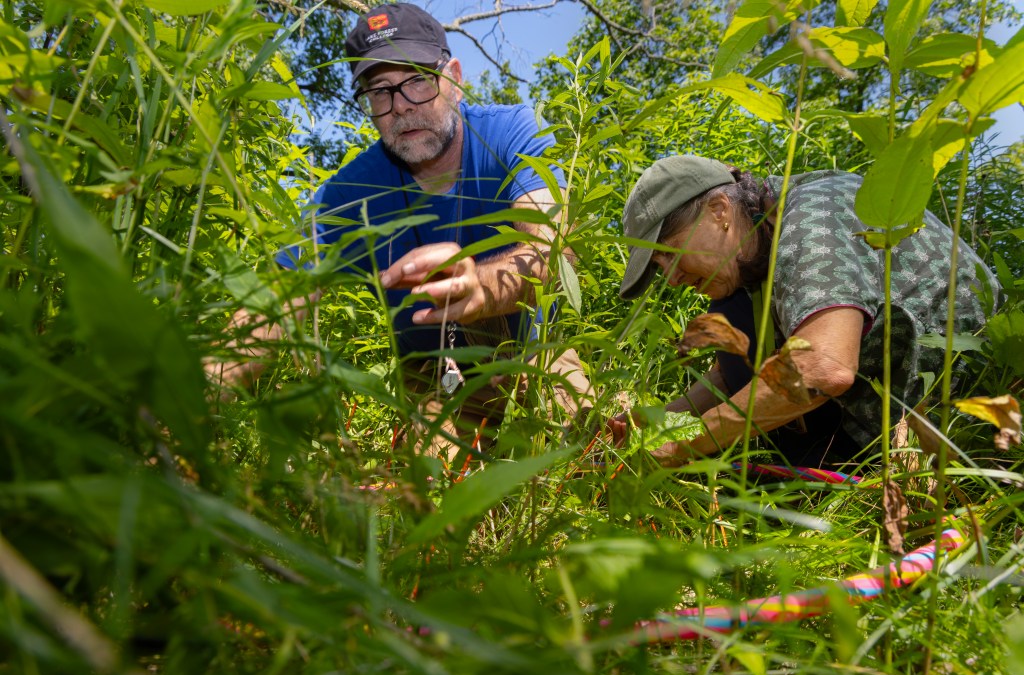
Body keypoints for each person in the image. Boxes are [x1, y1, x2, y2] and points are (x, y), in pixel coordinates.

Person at [207, 3, 591, 459]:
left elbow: (549, 248)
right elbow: (272, 306)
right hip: (433, 375)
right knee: (425, 486)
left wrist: (479, 286)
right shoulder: (346, 194)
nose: (402, 107)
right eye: (380, 92)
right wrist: (184, 403)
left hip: (528, 349)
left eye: (417, 81)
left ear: (454, 77)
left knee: (595, 435)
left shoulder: (510, 133)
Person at [609, 155, 1000, 468]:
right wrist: (657, 421)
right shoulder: (748, 258)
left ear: (718, 211)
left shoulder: (812, 217)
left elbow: (822, 367)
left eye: (672, 255)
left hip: (966, 412)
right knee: (730, 312)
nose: (673, 279)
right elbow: (730, 378)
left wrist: (682, 446)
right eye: (660, 268)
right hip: (870, 408)